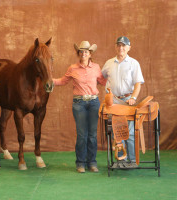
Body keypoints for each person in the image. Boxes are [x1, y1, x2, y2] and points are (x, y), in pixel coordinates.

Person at [53, 41, 106, 173]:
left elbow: (103, 81)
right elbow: (62, 81)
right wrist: (49, 80)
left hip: (94, 102)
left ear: (90, 54)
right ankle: (80, 163)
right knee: (82, 134)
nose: (83, 53)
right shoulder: (72, 68)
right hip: (79, 104)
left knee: (92, 135)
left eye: (86, 52)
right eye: (81, 51)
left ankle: (92, 162)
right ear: (78, 53)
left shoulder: (96, 67)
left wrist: (113, 76)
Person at [101, 36, 144, 167]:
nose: (121, 48)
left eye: (124, 45)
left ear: (129, 47)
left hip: (127, 101)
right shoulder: (108, 63)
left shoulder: (134, 63)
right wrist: (107, 91)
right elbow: (102, 77)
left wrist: (133, 98)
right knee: (116, 131)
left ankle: (131, 160)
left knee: (129, 132)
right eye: (119, 45)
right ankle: (120, 160)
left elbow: (138, 83)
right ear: (115, 47)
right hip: (113, 101)